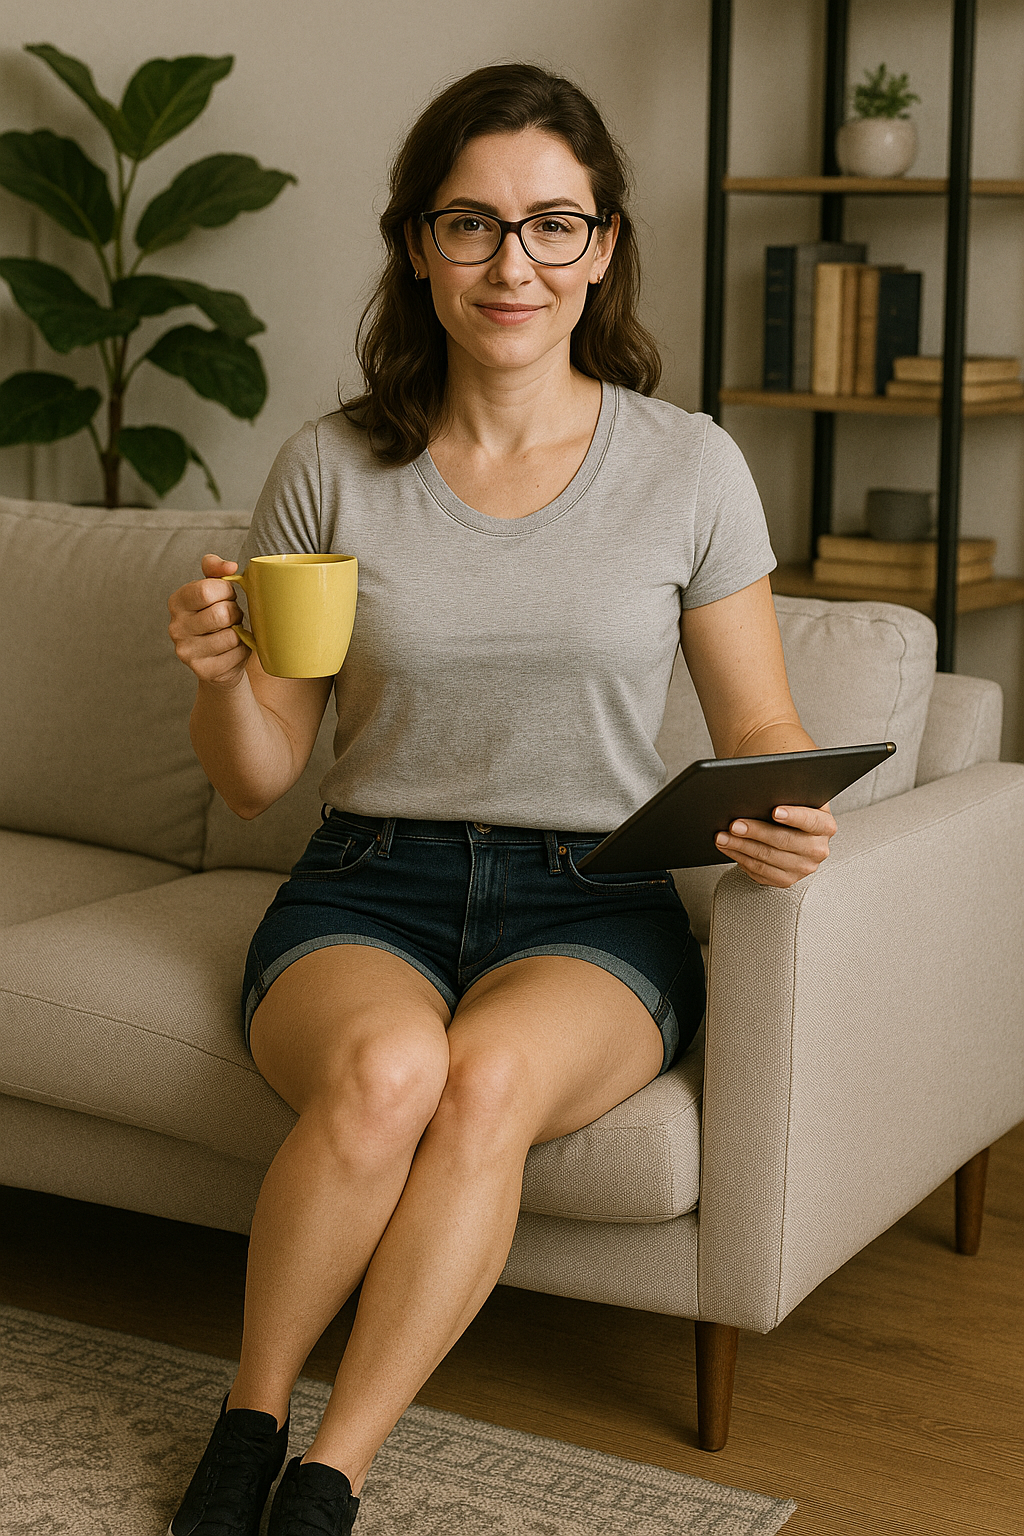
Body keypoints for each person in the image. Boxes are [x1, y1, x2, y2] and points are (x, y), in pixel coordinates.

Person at [166, 61, 836, 1536]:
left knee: (477, 1086)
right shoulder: (331, 467)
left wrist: (780, 819)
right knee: (389, 1075)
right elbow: (263, 773)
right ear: (418, 244)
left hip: (590, 901)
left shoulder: (689, 469)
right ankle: (248, 1419)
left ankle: (333, 1472)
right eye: (471, 225)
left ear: (601, 248)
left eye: (551, 225)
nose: (511, 264)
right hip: (365, 881)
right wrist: (224, 677)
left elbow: (763, 726)